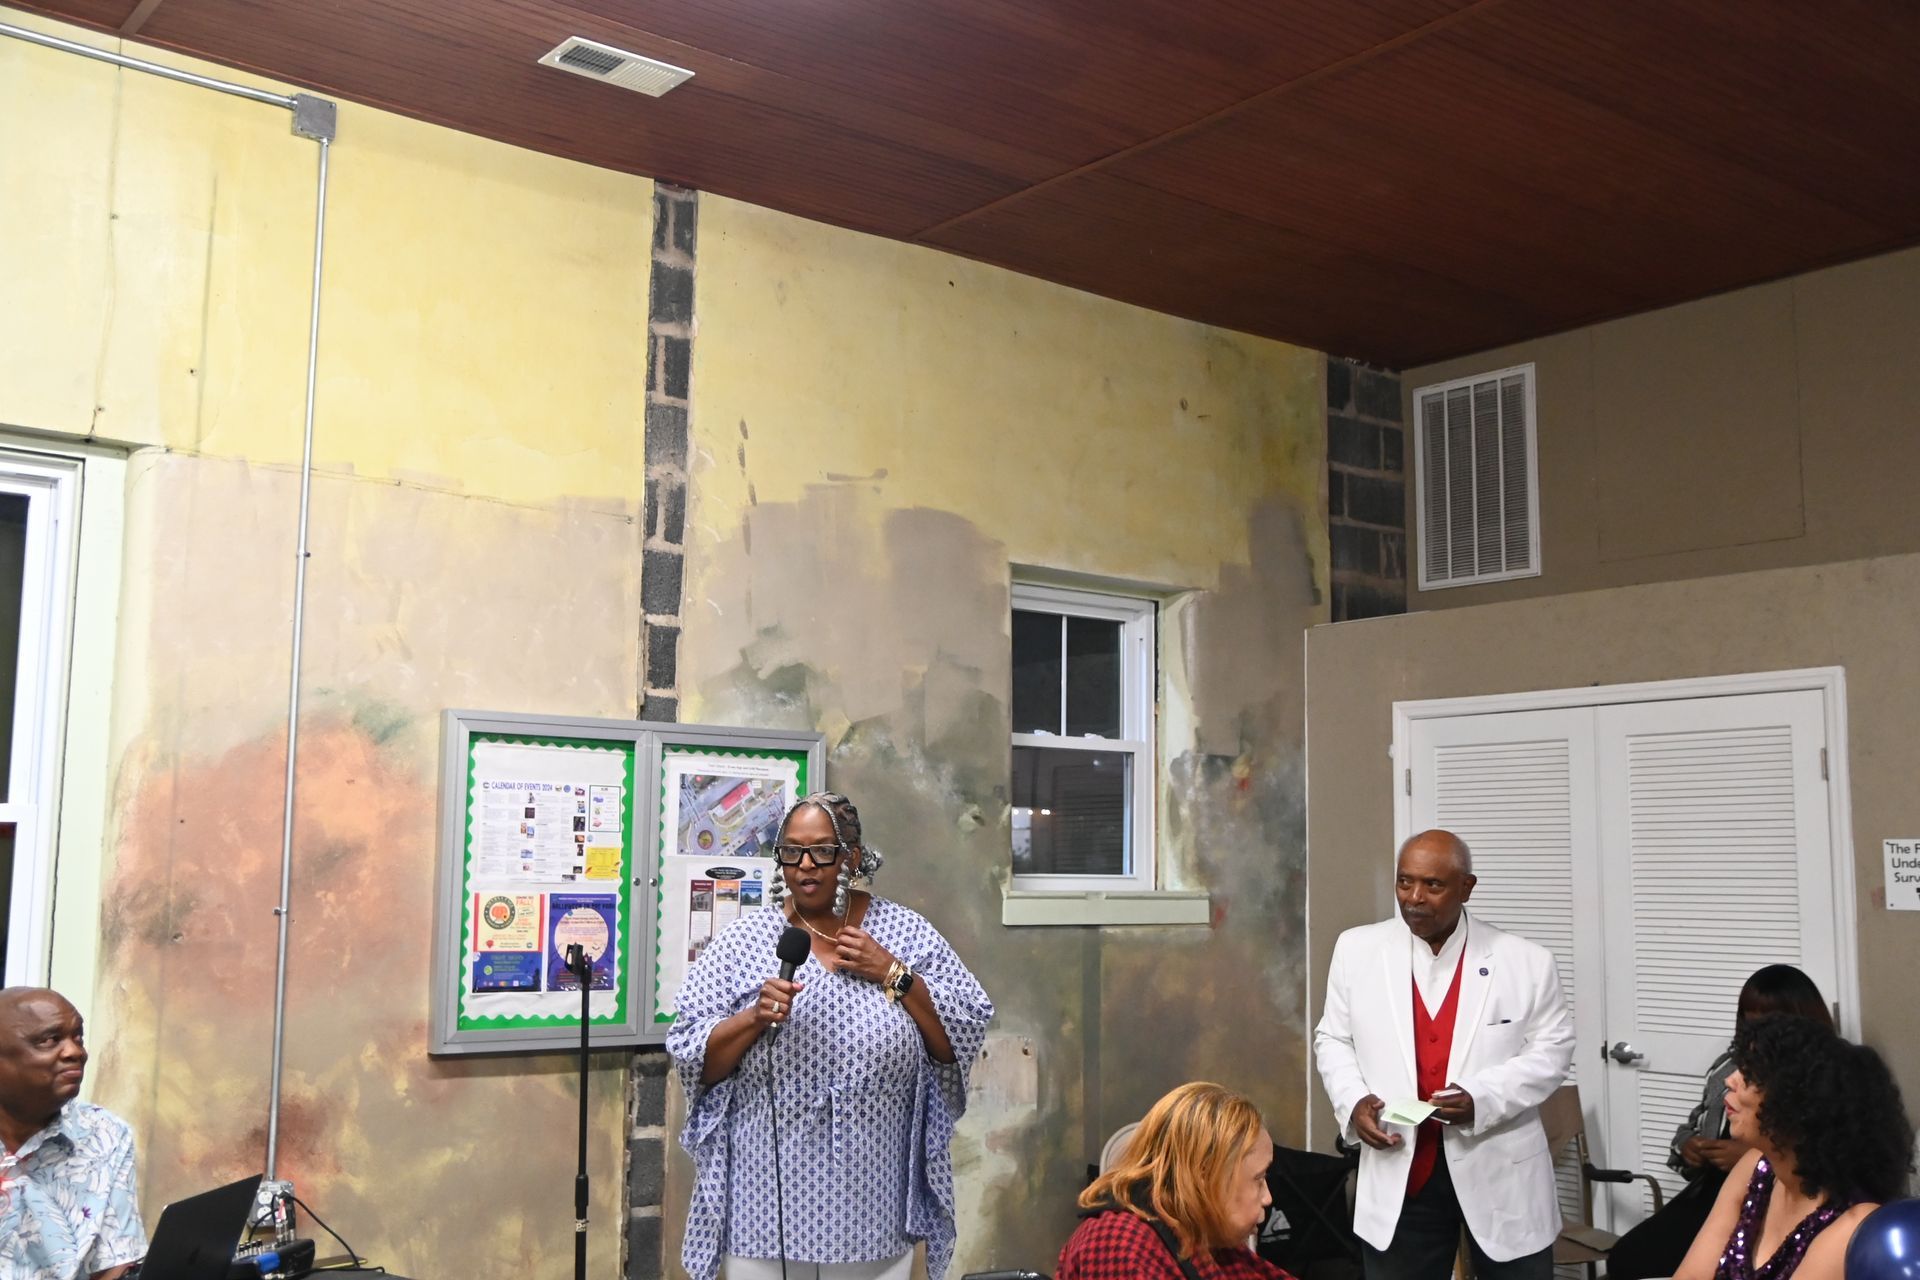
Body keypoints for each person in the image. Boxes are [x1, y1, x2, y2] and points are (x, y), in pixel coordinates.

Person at [668, 791, 993, 1280]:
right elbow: (696, 1060)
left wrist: (892, 972)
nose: (805, 865)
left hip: (873, 1205)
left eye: (822, 850)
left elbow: (960, 1035)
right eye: (792, 851)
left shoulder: (904, 933)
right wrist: (753, 1018)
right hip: (764, 1207)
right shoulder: (743, 942)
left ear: (852, 858)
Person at [1313, 830, 1574, 1280]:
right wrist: (1353, 1102)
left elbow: (1552, 1052)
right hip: (1400, 1169)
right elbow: (1332, 1038)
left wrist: (1482, 1098)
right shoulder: (1356, 950)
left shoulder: (1526, 962)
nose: (1414, 898)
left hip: (1501, 1172)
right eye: (1404, 882)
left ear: (1466, 888)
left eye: (1432, 885)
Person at [1605, 965, 1834, 1280]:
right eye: (1748, 1019)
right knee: (1628, 1257)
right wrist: (1689, 1146)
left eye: (1767, 1020)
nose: (1733, 1081)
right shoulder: (1727, 1066)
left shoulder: (1822, 1076)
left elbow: (1824, 1153)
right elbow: (1693, 1123)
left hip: (1771, 1194)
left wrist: (1755, 1158)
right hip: (1711, 1189)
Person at [1672, 1014, 1912, 1280]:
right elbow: (1690, 1276)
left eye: (1750, 1076)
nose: (1730, 1081)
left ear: (1797, 1103)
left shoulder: (1853, 1221)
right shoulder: (1755, 1166)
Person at [1056, 1082, 1294, 1280]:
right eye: (1259, 1178)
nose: (1267, 1198)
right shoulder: (1116, 1243)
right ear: (1206, 1175)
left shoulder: (1204, 1239)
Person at [0, 987, 147, 1280]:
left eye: (77, 1037)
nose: (75, 1052)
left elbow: (114, 1263)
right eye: (49, 1040)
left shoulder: (105, 1134)